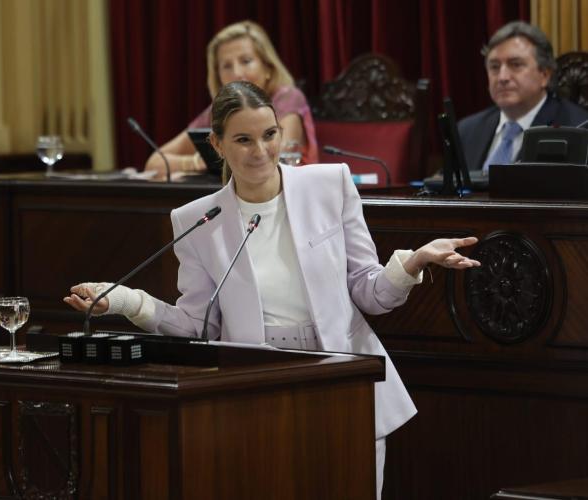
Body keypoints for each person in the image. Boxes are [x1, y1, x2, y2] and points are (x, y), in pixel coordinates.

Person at [66, 81, 480, 498]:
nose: (261, 151)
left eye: (269, 135)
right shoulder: (197, 220)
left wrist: (413, 261)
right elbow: (196, 326)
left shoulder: (330, 184)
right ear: (217, 144)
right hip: (258, 391)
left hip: (346, 381)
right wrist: (125, 301)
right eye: (243, 140)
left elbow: (370, 293)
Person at [145, 20, 319, 178]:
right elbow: (155, 162)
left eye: (246, 61)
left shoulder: (288, 98)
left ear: (268, 67)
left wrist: (213, 160)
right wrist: (196, 162)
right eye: (227, 66)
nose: (236, 73)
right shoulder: (219, 109)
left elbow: (274, 160)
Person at [459, 21, 588, 173]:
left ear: (544, 75)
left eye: (516, 65)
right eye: (494, 67)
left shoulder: (578, 129)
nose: (502, 77)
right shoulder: (467, 130)